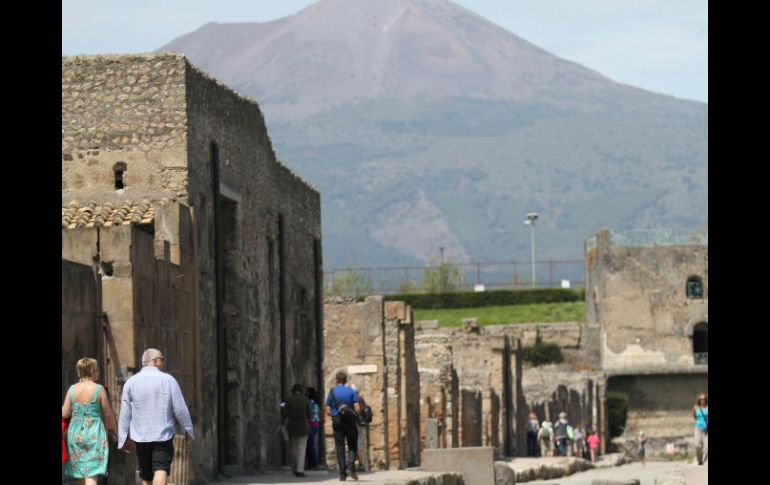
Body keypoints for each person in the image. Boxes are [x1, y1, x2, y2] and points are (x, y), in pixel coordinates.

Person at [118, 348, 194, 485]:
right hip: (162, 434)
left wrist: (123, 437)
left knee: (146, 475)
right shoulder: (168, 380)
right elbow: (180, 408)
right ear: (155, 361)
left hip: (140, 435)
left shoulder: (131, 382)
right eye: (162, 359)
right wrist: (187, 429)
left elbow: (125, 412)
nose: (163, 363)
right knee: (161, 468)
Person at [62, 357, 118, 484]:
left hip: (75, 434)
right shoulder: (99, 389)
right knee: (91, 473)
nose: (98, 371)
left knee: (80, 471)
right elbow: (108, 414)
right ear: (91, 371)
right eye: (97, 369)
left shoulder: (72, 389)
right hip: (94, 433)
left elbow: (65, 413)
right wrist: (114, 431)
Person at [326, 371, 361, 481]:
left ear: (336, 381)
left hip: (337, 421)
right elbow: (357, 408)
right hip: (350, 421)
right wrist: (356, 416)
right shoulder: (351, 391)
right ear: (346, 381)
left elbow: (327, 410)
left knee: (339, 446)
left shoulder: (331, 392)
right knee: (352, 444)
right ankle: (350, 465)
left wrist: (334, 416)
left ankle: (342, 474)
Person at [283, 384, 312, 478]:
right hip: (303, 425)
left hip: (292, 426)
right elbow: (310, 414)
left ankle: (295, 468)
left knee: (294, 448)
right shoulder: (305, 400)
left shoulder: (288, 400)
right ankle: (300, 470)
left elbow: (284, 413)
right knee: (301, 448)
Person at [306, 387, 321, 469]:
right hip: (315, 424)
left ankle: (313, 463)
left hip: (311, 424)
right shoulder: (316, 403)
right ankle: (312, 463)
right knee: (310, 444)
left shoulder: (310, 403)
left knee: (310, 445)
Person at [693, 393, 708, 465]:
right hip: (698, 428)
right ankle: (699, 460)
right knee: (697, 445)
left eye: (704, 399)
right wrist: (699, 422)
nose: (703, 400)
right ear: (699, 400)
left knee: (707, 447)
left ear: (706, 400)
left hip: (707, 428)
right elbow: (694, 416)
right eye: (701, 399)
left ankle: (705, 462)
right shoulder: (696, 408)